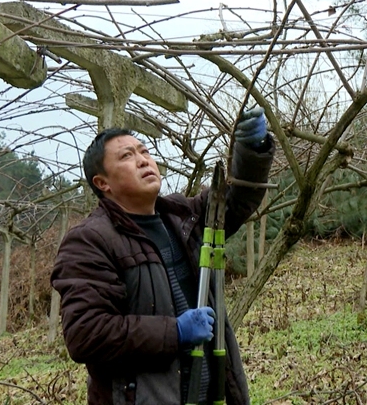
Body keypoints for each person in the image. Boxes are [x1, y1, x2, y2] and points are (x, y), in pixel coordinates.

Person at [51, 106, 274, 405]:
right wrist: (175, 332)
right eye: (126, 156)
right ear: (102, 183)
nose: (143, 160)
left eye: (144, 151)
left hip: (215, 394)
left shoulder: (183, 216)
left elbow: (233, 200)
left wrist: (251, 150)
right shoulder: (89, 241)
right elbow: (86, 334)